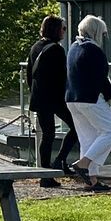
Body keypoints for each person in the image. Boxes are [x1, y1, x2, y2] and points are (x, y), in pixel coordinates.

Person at [65, 14, 111, 193]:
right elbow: (101, 78)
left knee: (87, 139)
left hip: (72, 99)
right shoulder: (93, 50)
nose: (104, 37)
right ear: (96, 32)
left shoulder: (73, 47)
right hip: (90, 98)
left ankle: (92, 180)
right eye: (103, 33)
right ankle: (84, 164)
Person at [25, 15, 76, 187]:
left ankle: (45, 174)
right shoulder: (56, 50)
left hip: (39, 97)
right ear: (56, 30)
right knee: (76, 127)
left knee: (47, 136)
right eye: (63, 28)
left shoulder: (35, 47)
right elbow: (63, 77)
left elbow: (29, 74)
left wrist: (34, 92)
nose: (64, 31)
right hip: (55, 98)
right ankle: (59, 161)